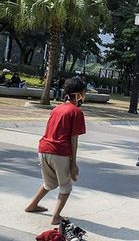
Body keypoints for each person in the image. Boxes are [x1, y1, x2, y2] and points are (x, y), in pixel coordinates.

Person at [25, 78, 87, 225]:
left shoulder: (56, 109)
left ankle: (32, 205)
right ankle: (56, 217)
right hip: (60, 152)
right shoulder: (76, 112)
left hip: (43, 149)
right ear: (78, 95)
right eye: (84, 93)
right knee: (66, 187)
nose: (85, 96)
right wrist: (73, 163)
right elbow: (73, 140)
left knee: (49, 183)